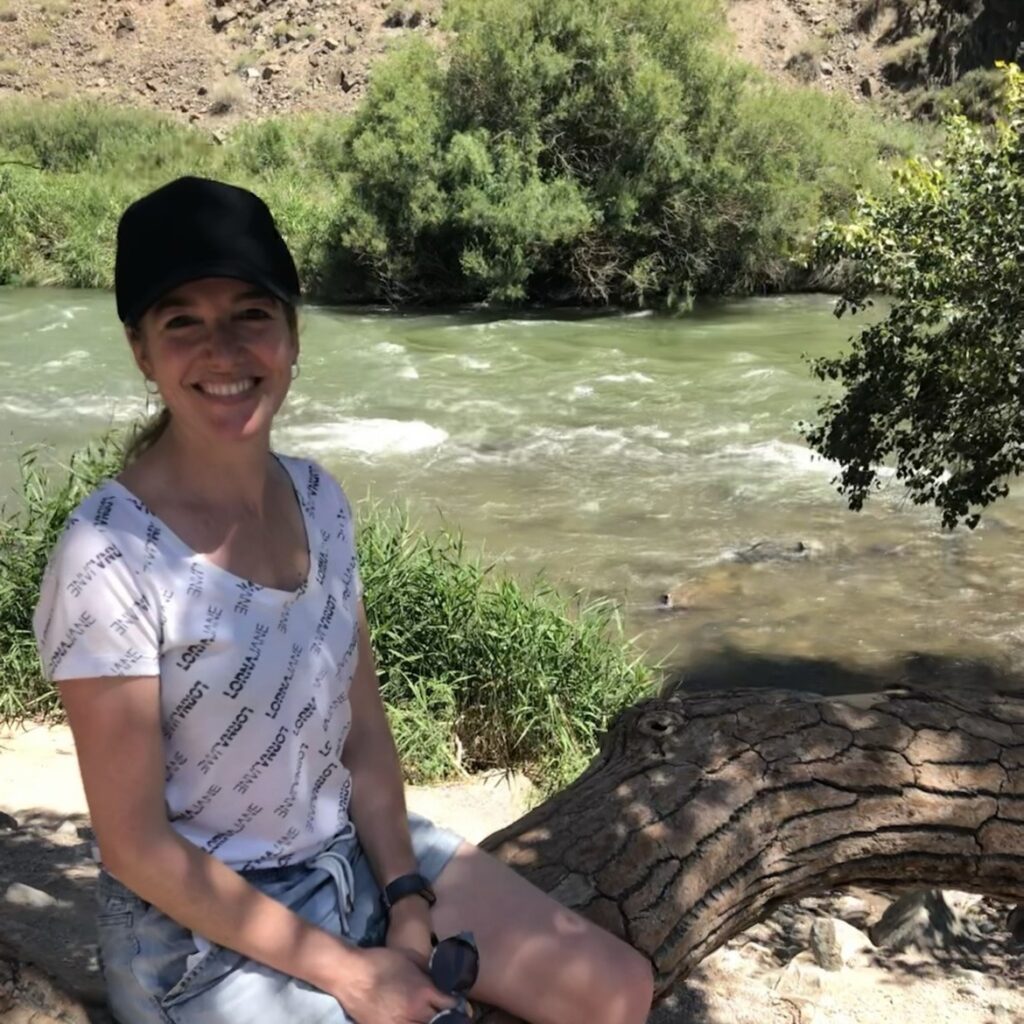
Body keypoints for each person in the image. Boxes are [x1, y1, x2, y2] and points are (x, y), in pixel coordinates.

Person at [32, 176, 655, 1024]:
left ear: (292, 335)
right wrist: (353, 975)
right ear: (143, 352)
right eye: (183, 322)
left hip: (349, 856)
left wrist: (404, 897)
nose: (223, 351)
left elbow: (361, 732)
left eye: (252, 313)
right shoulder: (106, 553)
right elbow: (136, 846)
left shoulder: (318, 499)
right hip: (194, 935)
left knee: (616, 990)